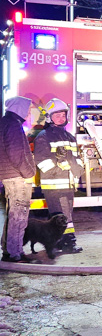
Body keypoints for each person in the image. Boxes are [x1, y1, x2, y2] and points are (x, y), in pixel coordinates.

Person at [34, 98, 84, 253]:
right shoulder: (44, 136)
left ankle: (57, 242)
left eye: (63, 115)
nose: (61, 118)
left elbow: (77, 159)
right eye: (57, 115)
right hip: (55, 185)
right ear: (49, 117)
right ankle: (69, 243)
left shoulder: (69, 137)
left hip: (68, 184)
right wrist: (59, 164)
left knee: (59, 215)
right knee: (64, 216)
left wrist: (78, 170)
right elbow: (42, 162)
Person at [0, 96, 37, 262]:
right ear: (19, 109)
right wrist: (29, 173)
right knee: (19, 215)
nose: (29, 114)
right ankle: (15, 253)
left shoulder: (5, 122)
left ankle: (9, 249)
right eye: (28, 110)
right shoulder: (13, 125)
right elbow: (16, 154)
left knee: (12, 214)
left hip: (9, 176)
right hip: (17, 177)